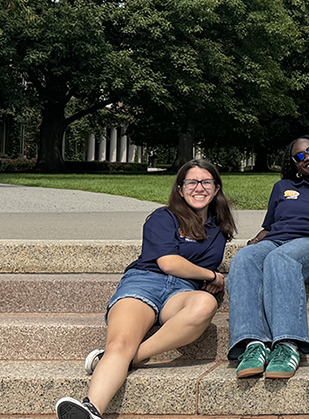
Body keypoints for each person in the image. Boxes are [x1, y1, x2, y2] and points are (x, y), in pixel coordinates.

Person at [55, 159, 235, 419]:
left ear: (216, 189)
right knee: (120, 344)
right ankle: (91, 410)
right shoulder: (164, 217)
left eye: (206, 182)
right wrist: (212, 276)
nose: (199, 188)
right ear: (181, 189)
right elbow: (169, 263)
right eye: (192, 182)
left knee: (205, 304)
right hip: (144, 282)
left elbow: (188, 270)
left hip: (182, 293)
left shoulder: (218, 228)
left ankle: (131, 357)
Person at [226, 135, 309, 380]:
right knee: (245, 258)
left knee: (280, 258)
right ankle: (254, 345)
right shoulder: (282, 187)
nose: (308, 157)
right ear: (294, 164)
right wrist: (254, 243)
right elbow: (269, 227)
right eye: (300, 156)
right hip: (276, 240)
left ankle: (288, 346)